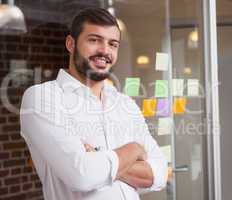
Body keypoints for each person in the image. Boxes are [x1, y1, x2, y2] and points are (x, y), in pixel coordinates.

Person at [20, 7, 167, 200]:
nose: (105, 51)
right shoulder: (42, 98)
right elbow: (82, 175)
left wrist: (100, 157)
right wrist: (135, 149)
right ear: (71, 44)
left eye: (113, 44)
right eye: (94, 40)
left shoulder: (125, 103)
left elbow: (160, 174)